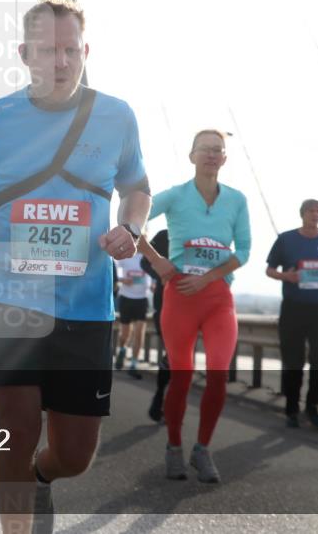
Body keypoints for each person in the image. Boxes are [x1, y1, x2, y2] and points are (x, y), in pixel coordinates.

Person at [0, 0, 151, 532]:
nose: (60, 62)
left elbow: (137, 191)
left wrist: (130, 228)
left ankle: (40, 478)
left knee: (75, 455)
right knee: (17, 427)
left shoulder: (117, 115)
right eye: (47, 51)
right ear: (23, 53)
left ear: (86, 50)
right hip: (11, 298)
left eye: (70, 50)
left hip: (86, 305)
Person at [139, 129, 250, 484]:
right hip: (180, 296)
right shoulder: (174, 196)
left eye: (218, 150)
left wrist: (208, 278)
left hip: (218, 298)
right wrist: (157, 261)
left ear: (225, 158)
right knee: (181, 375)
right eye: (205, 149)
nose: (212, 155)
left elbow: (244, 251)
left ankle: (202, 449)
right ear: (192, 156)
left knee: (219, 374)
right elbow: (130, 223)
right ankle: (173, 446)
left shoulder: (236, 200)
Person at [266, 199, 318, 430]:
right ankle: (291, 409)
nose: (315, 215)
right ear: (302, 214)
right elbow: (269, 270)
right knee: (293, 361)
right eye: (311, 211)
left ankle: (313, 407)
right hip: (293, 308)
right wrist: (286, 277)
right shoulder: (286, 239)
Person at [140, 229, 171, 422]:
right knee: (174, 354)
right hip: (165, 303)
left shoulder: (204, 236)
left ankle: (169, 402)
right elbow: (145, 261)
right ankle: (160, 398)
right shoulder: (164, 236)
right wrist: (160, 272)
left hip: (193, 304)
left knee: (181, 358)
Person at [114, 252, 150, 378]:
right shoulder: (126, 255)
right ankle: (122, 350)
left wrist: (154, 284)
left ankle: (133, 364)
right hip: (126, 298)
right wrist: (122, 279)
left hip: (142, 299)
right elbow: (112, 269)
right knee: (125, 334)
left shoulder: (148, 256)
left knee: (139, 333)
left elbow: (154, 274)